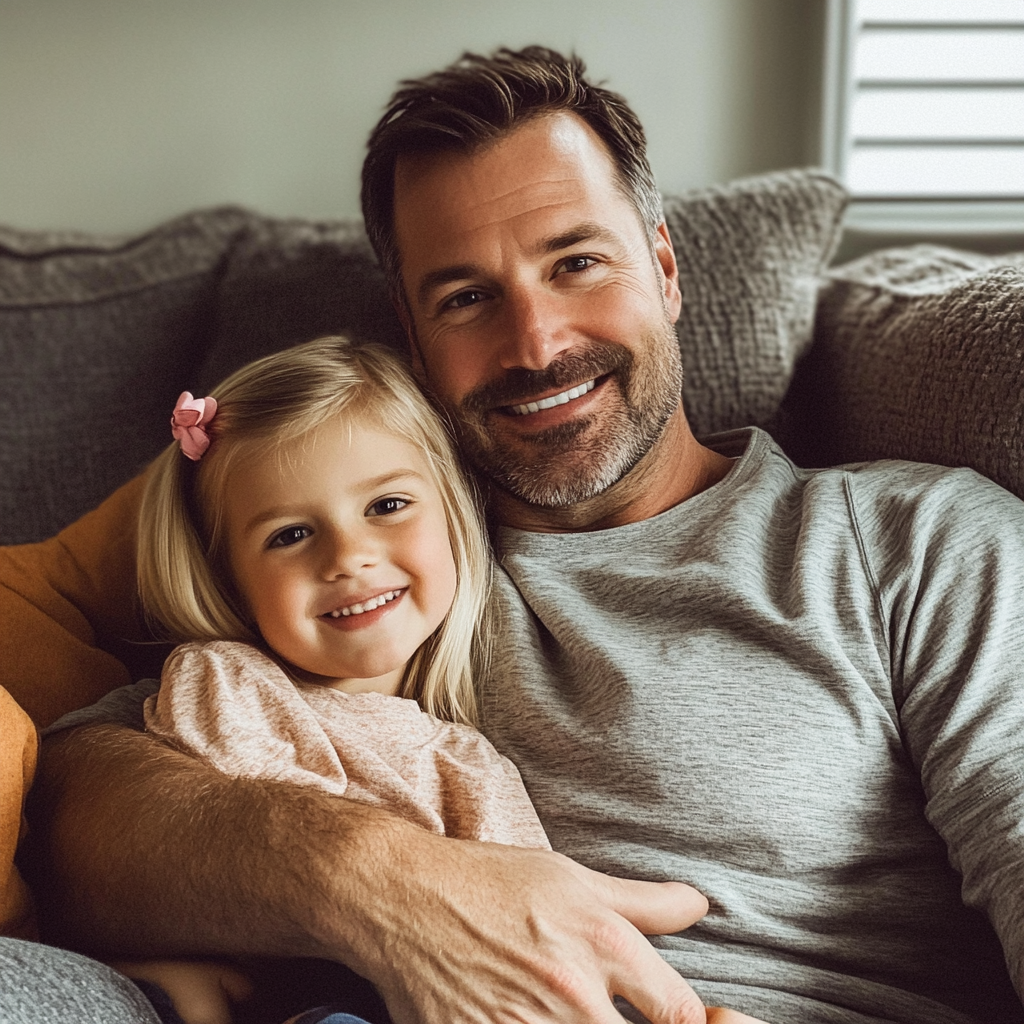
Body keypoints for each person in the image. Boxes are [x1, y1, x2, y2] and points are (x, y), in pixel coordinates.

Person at [18, 44, 1024, 1024]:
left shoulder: (908, 541)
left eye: (576, 262)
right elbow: (65, 810)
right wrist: (376, 882)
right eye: (466, 298)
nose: (535, 344)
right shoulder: (380, 573)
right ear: (415, 342)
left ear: (665, 269)